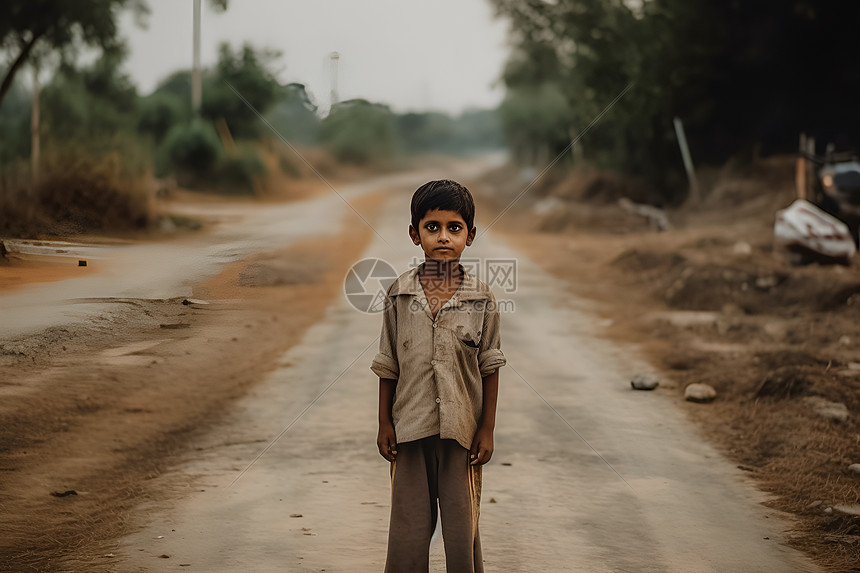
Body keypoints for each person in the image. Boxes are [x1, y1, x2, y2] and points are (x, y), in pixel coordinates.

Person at [370, 179, 507, 573]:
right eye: (432, 227)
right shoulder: (399, 295)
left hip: (462, 435)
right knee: (407, 533)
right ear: (415, 234)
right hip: (409, 430)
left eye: (454, 228)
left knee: (462, 535)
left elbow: (490, 366)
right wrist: (383, 422)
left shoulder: (482, 298)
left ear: (470, 235)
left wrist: (488, 428)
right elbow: (387, 363)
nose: (443, 237)